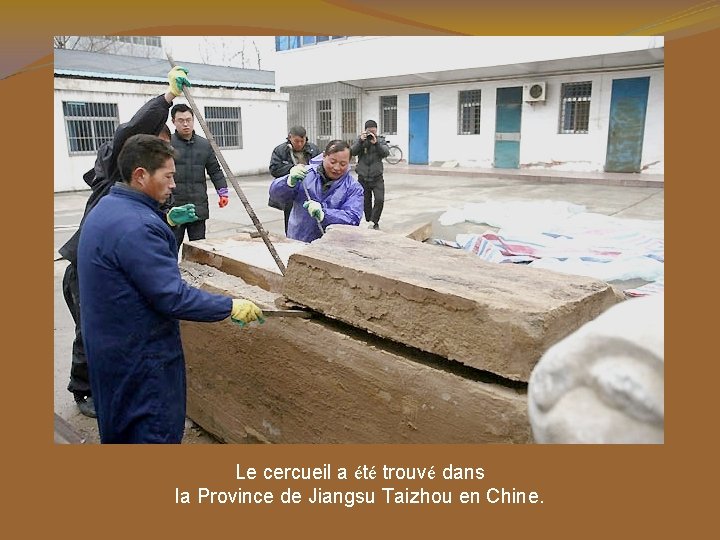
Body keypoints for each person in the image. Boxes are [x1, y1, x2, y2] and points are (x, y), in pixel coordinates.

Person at [77, 134, 264, 444]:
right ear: (140, 176)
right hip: (141, 357)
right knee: (154, 435)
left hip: (109, 352)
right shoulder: (137, 226)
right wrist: (229, 306)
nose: (174, 184)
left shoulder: (108, 207)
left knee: (120, 433)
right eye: (168, 176)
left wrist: (163, 219)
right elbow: (172, 297)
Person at [57, 66, 193, 418]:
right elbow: (131, 129)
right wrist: (167, 98)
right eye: (158, 149)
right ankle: (83, 391)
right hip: (84, 271)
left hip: (105, 266)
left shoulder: (139, 195)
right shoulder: (114, 175)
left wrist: (167, 219)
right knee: (90, 331)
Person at [269, 140, 363, 243]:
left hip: (333, 247)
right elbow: (275, 196)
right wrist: (288, 183)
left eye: (343, 164)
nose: (337, 167)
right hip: (298, 241)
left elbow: (352, 218)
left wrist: (324, 214)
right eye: (332, 162)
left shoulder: (353, 188)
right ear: (324, 156)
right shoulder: (305, 174)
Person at [169, 104, 229, 252]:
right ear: (173, 121)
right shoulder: (167, 144)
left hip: (198, 206)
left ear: (193, 120)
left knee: (199, 248)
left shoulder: (204, 145)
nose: (185, 124)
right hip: (174, 207)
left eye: (188, 120)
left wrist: (223, 192)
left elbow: (215, 170)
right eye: (181, 120)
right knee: (171, 248)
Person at [268, 126, 321, 235]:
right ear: (290, 138)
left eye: (302, 141)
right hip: (291, 190)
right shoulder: (280, 150)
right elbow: (274, 169)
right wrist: (292, 170)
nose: (300, 144)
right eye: (296, 141)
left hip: (311, 189)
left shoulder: (313, 149)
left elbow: (320, 167)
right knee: (291, 219)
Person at [351, 120, 390, 230]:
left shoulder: (380, 140)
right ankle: (369, 221)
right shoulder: (360, 139)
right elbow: (352, 152)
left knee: (379, 200)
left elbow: (385, 153)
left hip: (377, 177)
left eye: (373, 131)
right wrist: (360, 141)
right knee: (365, 202)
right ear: (365, 130)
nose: (371, 134)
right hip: (363, 177)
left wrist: (376, 143)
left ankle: (374, 221)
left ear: (376, 130)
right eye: (369, 131)